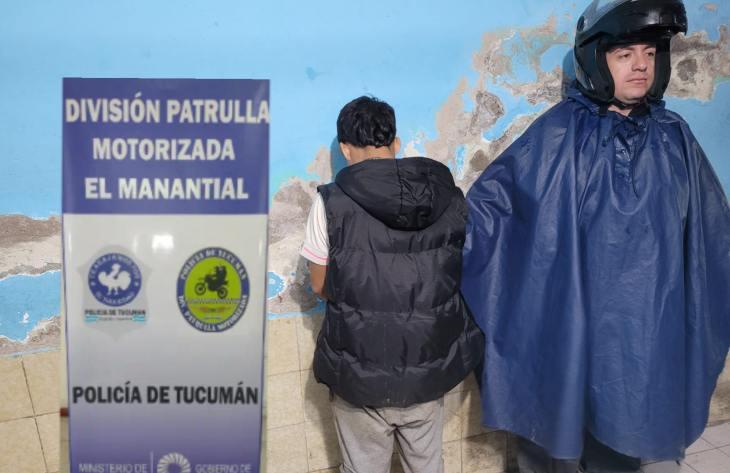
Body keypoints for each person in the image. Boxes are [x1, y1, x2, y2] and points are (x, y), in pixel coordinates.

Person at [461, 1, 730, 472]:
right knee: (555, 439)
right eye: (625, 54)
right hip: (568, 325)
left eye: (649, 53)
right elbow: (492, 213)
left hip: (640, 333)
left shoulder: (674, 138)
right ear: (596, 60)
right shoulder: (557, 136)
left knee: (621, 442)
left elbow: (711, 233)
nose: (641, 65)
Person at [301, 96, 485, 473]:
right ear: (396, 143)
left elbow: (319, 284)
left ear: (345, 149)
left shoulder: (329, 204)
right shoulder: (447, 195)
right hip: (426, 367)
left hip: (360, 370)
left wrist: (361, 298)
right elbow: (455, 270)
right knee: (427, 466)